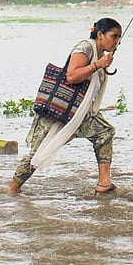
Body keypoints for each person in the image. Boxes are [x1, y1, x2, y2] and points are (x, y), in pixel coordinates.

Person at [8, 18, 121, 194]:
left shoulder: (100, 55)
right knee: (39, 152)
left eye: (119, 38)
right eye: (114, 36)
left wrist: (102, 63)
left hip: (81, 112)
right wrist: (98, 65)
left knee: (105, 132)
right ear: (100, 35)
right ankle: (12, 189)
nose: (117, 41)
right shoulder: (84, 48)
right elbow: (71, 76)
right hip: (61, 110)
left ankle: (104, 183)